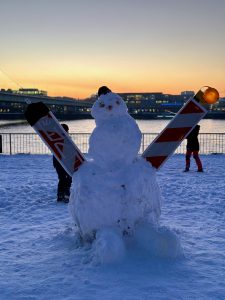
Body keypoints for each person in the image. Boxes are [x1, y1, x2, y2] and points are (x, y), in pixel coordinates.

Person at [53, 123, 72, 203]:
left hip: (57, 161)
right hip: (65, 161)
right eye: (67, 130)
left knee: (62, 178)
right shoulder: (66, 139)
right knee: (69, 178)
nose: (67, 131)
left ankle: (60, 195)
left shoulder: (55, 138)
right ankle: (66, 194)